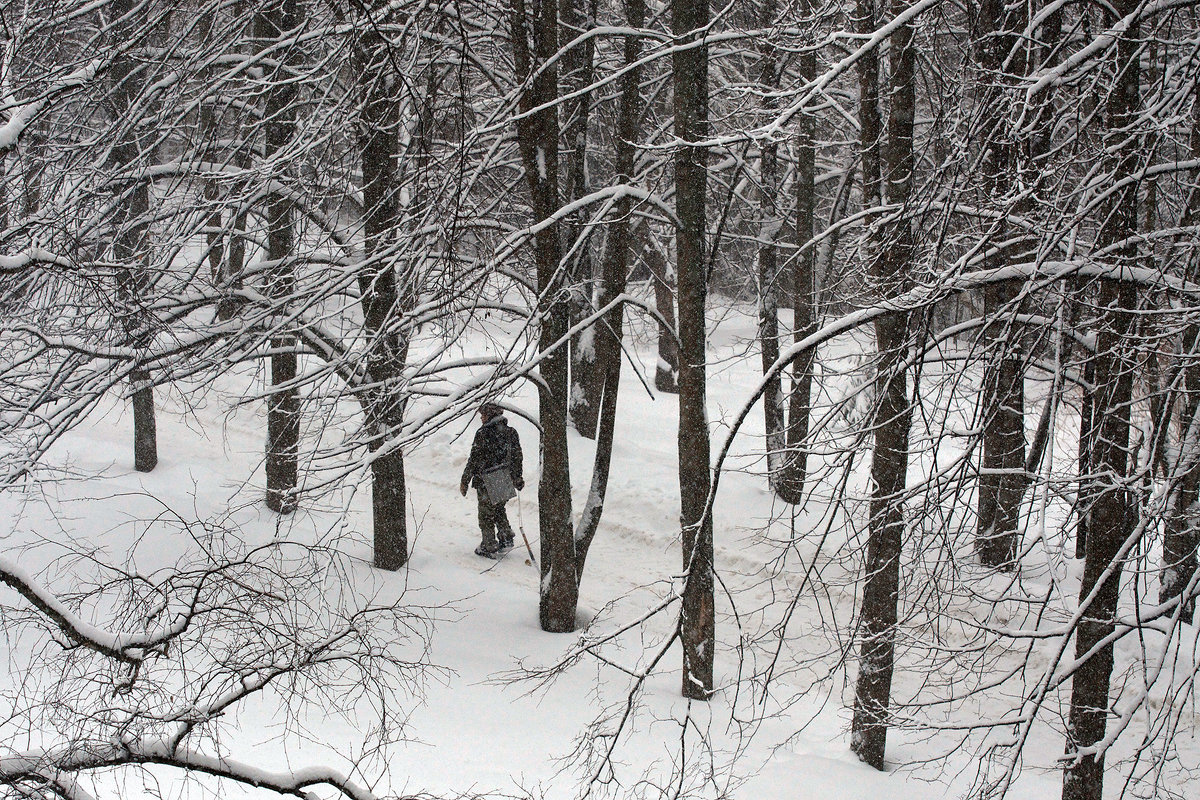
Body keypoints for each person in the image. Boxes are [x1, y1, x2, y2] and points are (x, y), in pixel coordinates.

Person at [459, 402, 524, 558]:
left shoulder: (483, 433)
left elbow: (474, 459)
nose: (481, 418)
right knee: (499, 509)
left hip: (486, 479)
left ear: (489, 415)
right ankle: (506, 537)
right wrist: (517, 477)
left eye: (483, 415)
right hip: (504, 477)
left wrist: (465, 480)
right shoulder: (511, 432)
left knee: (486, 514)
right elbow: (517, 456)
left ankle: (489, 545)